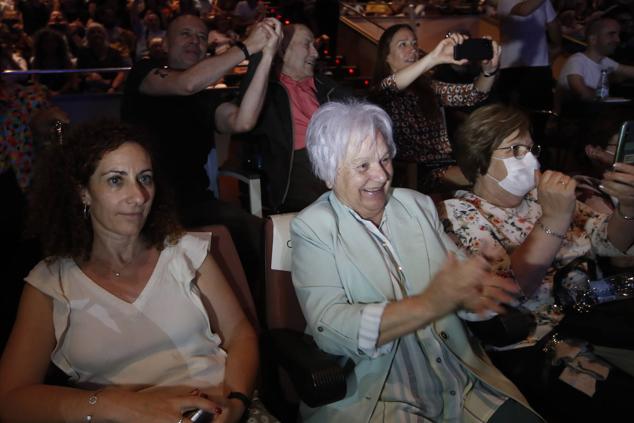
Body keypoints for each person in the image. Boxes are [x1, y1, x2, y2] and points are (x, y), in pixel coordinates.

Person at [0, 120, 275, 423]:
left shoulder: (183, 250)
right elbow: (11, 400)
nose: (139, 196)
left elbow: (240, 334)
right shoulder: (52, 283)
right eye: (116, 180)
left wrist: (235, 401)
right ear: (83, 193)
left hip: (218, 409)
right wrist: (114, 405)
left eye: (145, 178)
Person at [291, 99, 542, 423]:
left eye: (384, 159)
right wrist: (430, 304)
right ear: (328, 172)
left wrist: (478, 287)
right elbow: (330, 326)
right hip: (380, 391)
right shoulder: (313, 227)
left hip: (458, 375)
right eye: (362, 165)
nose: (381, 175)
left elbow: (457, 288)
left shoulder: (417, 205)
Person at [439, 103, 634, 420]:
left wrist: (628, 206)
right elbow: (508, 294)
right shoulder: (457, 216)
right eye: (514, 150)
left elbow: (611, 241)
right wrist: (554, 221)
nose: (529, 160)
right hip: (533, 343)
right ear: (480, 158)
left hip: (589, 310)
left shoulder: (536, 199)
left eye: (530, 149)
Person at [121, 14, 281, 283]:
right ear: (167, 44)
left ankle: (260, 316)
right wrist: (245, 47)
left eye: (201, 37)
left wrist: (266, 56)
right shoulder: (146, 72)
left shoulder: (206, 98)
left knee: (261, 234)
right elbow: (186, 84)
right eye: (186, 34)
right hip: (145, 202)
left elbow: (243, 120)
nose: (195, 41)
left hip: (194, 202)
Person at [371, 24, 500, 193]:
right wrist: (434, 58)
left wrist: (489, 72)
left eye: (414, 44)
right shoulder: (383, 89)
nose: (412, 49)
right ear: (386, 56)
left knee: (494, 170)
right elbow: (391, 85)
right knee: (486, 177)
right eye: (403, 44)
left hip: (447, 164)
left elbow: (475, 94)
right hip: (415, 173)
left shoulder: (429, 87)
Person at [240, 23, 351, 212]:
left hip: (341, 160)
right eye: (307, 45)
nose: (315, 53)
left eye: (315, 46)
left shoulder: (325, 86)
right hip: (298, 170)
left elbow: (366, 106)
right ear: (282, 50)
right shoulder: (266, 91)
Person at [497, 0, 562, 111]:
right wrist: (556, 45)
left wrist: (557, 46)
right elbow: (523, 10)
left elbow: (554, 24)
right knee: (513, 116)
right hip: (513, 67)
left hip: (539, 66)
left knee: (540, 114)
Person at [557, 17, 634, 103]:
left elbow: (628, 71)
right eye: (611, 34)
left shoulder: (605, 61)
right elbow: (582, 93)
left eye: (618, 35)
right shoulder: (576, 61)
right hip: (574, 115)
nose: (617, 40)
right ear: (593, 39)